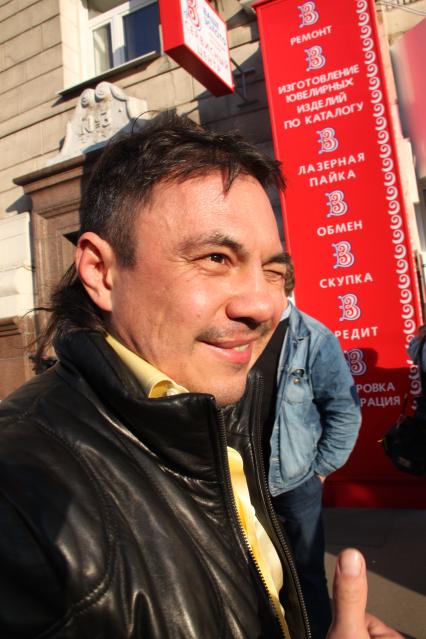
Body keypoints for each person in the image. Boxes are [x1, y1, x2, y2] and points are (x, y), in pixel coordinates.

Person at [0, 114, 400, 639]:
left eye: (273, 271)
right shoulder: (19, 495)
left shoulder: (223, 399)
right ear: (100, 271)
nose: (264, 305)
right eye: (215, 258)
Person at [255, 255, 362, 639]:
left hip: (298, 481)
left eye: (270, 275)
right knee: (256, 573)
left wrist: (320, 470)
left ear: (285, 282)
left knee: (306, 576)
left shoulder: (315, 339)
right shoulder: (239, 334)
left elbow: (344, 411)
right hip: (246, 480)